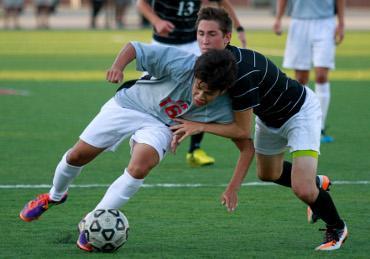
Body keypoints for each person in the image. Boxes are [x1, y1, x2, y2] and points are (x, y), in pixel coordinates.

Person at [19, 42, 237, 252]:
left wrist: (199, 126)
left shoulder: (227, 104)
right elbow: (135, 47)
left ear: (223, 90)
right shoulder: (181, 63)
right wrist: (117, 67)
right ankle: (55, 196)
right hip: (129, 104)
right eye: (198, 87)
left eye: (208, 94)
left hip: (161, 126)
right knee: (77, 156)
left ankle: (91, 223)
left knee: (139, 167)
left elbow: (243, 133)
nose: (200, 96)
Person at [170, 7, 348, 251]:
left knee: (303, 189)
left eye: (212, 34)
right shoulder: (210, 64)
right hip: (269, 118)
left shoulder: (241, 72)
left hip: (299, 112)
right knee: (268, 174)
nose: (204, 40)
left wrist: (197, 126)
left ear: (227, 37)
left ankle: (337, 228)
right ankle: (316, 181)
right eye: (200, 33)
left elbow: (242, 132)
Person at [137, 0, 247, 167]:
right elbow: (141, 4)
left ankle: (195, 148)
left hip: (191, 43)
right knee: (150, 92)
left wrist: (239, 28)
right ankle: (149, 135)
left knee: (205, 88)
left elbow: (222, 3)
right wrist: (157, 21)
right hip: (163, 42)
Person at [273, 0, 345, 143]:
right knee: (300, 79)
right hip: (299, 22)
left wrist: (341, 22)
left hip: (325, 22)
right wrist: (278, 18)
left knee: (321, 76)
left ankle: (320, 127)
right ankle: (302, 124)